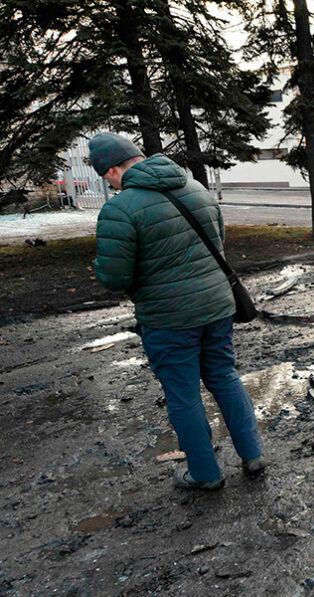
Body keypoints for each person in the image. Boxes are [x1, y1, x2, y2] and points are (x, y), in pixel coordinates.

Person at [90, 132, 264, 490]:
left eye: (104, 177)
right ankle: (253, 455)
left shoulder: (119, 209)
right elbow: (217, 242)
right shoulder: (197, 189)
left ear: (110, 171)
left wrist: (101, 266)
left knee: (183, 394)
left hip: (168, 318)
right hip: (218, 306)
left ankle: (205, 474)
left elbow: (115, 276)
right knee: (224, 376)